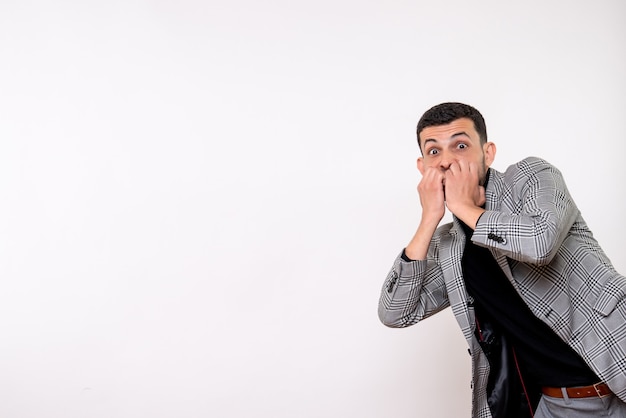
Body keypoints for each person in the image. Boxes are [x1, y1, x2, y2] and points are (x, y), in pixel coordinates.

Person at [378, 102, 626, 418]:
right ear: (422, 166)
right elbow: (395, 312)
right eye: (434, 152)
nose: (447, 161)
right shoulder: (448, 245)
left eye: (461, 145)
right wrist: (429, 220)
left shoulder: (530, 178)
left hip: (618, 378)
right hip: (555, 405)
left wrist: (463, 206)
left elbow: (540, 243)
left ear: (488, 153)